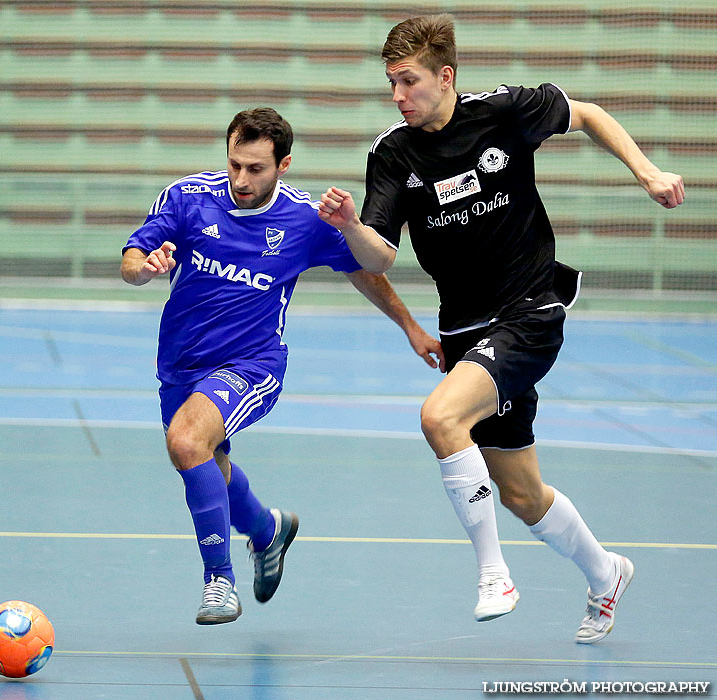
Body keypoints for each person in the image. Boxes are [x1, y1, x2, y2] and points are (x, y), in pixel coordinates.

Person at [318, 14, 684, 643]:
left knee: (439, 419)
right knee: (520, 492)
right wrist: (351, 226)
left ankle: (494, 574)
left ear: (445, 76)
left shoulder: (505, 111)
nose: (398, 95)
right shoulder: (391, 153)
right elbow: (379, 255)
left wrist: (646, 172)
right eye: (391, 84)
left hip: (531, 308)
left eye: (408, 81)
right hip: (464, 329)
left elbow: (589, 113)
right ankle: (606, 575)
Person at [121, 107, 442, 625]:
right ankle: (267, 532)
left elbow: (364, 269)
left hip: (251, 363)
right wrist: (146, 270)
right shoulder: (187, 199)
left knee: (186, 442)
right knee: (208, 464)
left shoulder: (302, 220)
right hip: (180, 364)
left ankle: (218, 581)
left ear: (283, 165)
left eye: (255, 169)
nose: (240, 179)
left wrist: (410, 326)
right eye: (234, 165)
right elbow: (132, 259)